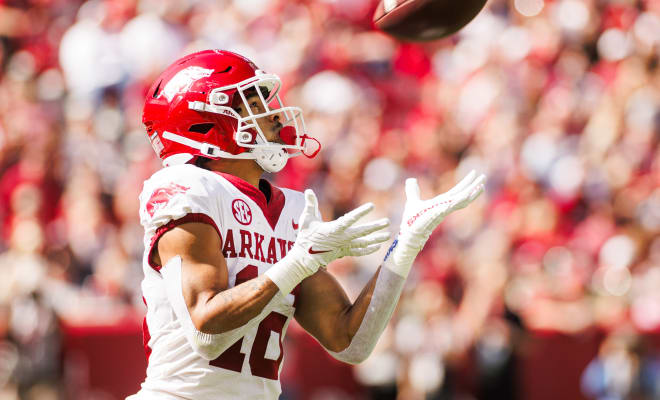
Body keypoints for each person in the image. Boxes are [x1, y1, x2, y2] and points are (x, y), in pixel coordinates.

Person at [127, 49, 486, 400]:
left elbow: (349, 341)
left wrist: (405, 246)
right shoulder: (186, 188)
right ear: (206, 123)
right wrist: (298, 262)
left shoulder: (292, 208)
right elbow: (206, 332)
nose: (272, 115)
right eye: (252, 104)